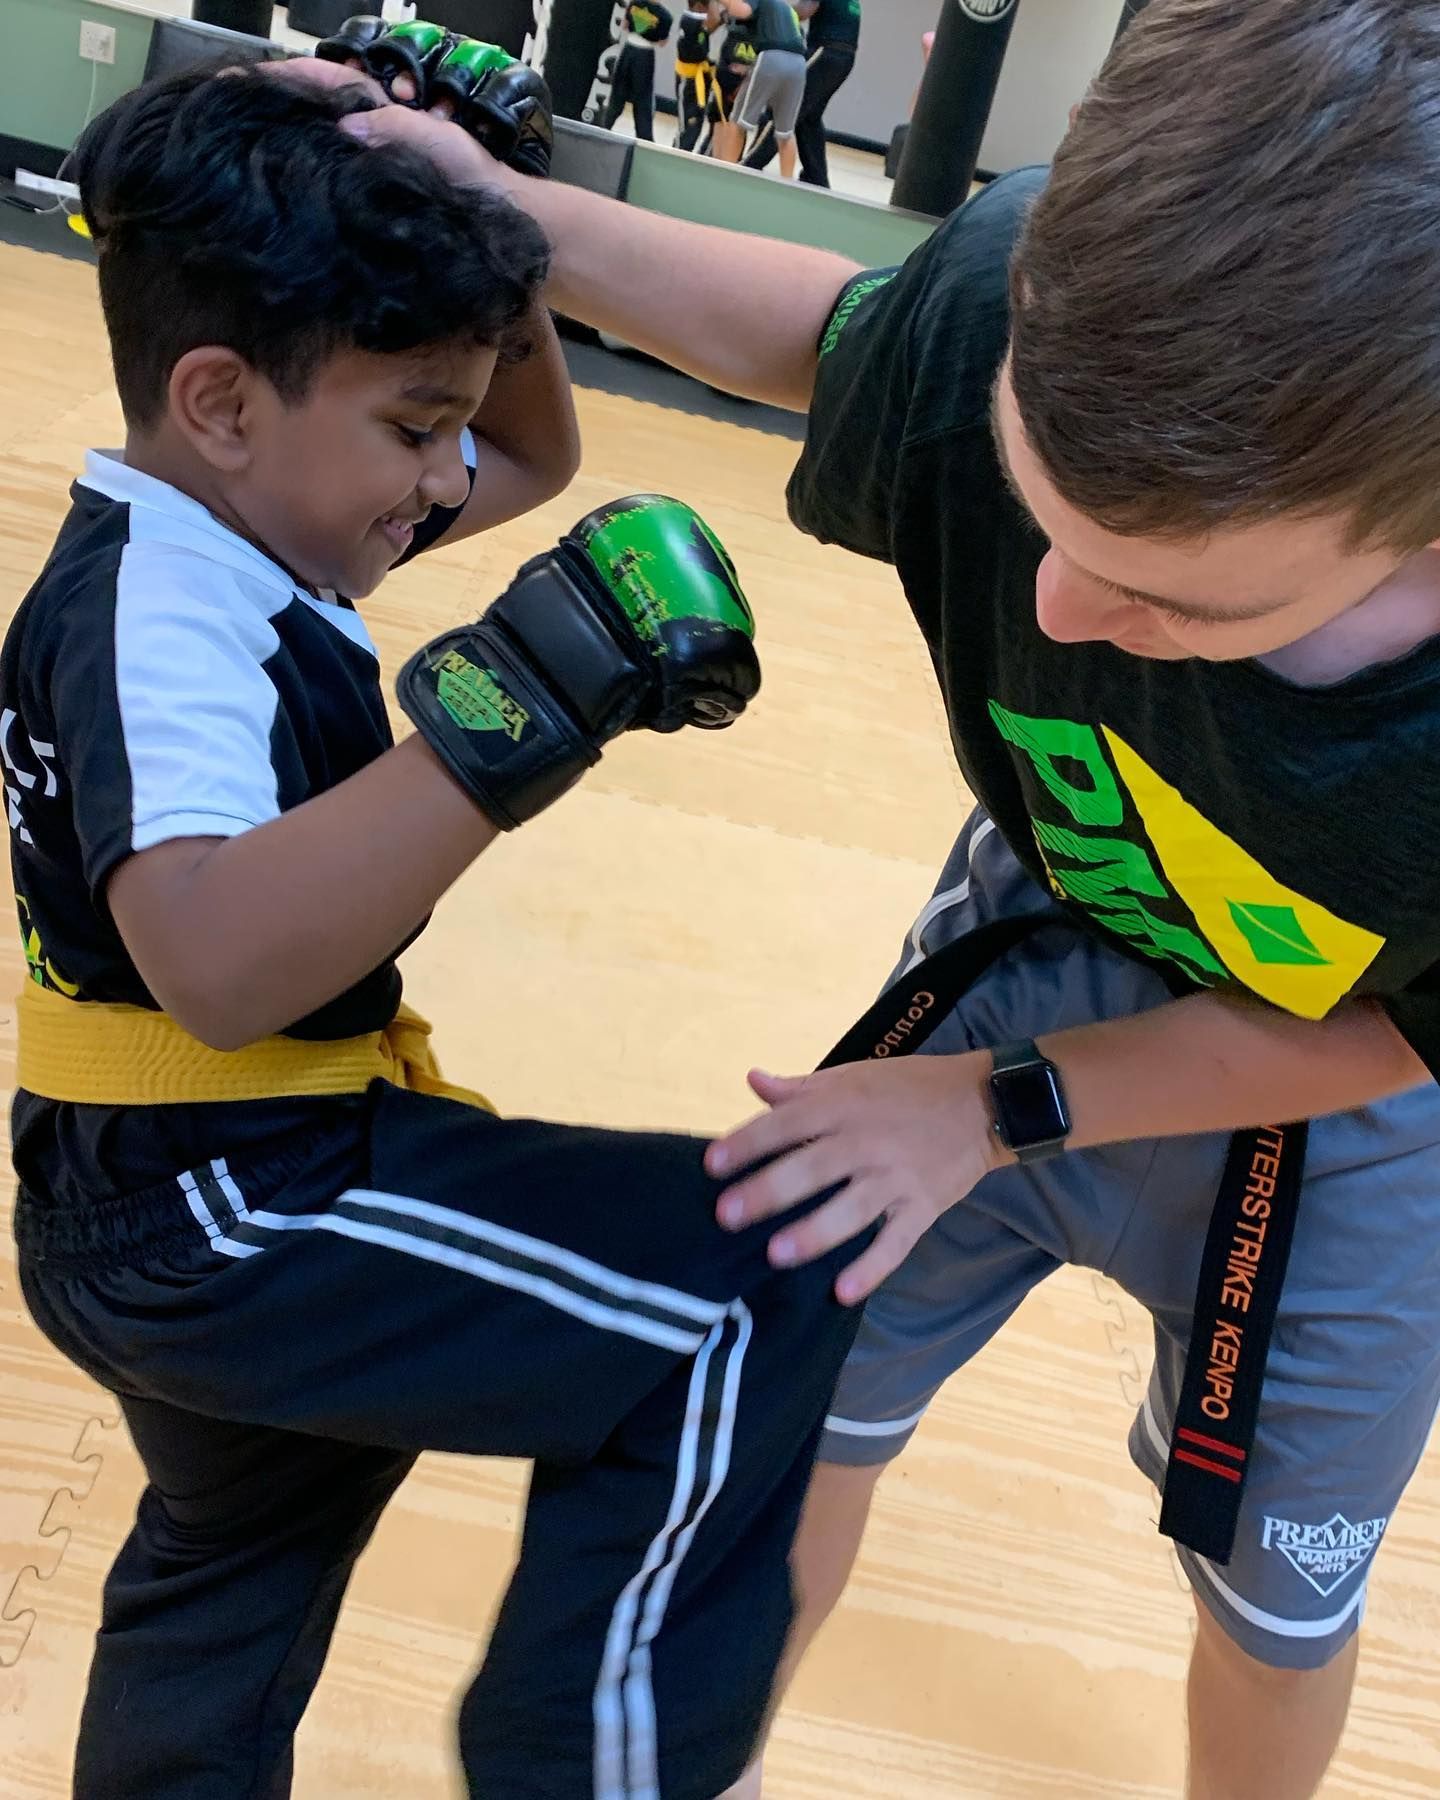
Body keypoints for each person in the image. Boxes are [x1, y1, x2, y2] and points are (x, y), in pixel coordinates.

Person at [343, 2, 1440, 1795]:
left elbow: (1390, 1034)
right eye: (1041, 511)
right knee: (785, 1423)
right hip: (1028, 946)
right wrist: (487, 205)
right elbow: (831, 337)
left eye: (1184, 605)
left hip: (1343, 1099)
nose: (1069, 616)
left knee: (1273, 1614)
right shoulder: (1011, 299)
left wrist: (1001, 1114)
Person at [5, 53, 872, 1800]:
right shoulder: (161, 604)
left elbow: (534, 446)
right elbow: (217, 962)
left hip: (170, 1176)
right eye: (415, 429)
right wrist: (508, 713)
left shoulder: (250, 510)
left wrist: (478, 207)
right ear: (224, 398)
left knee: (236, 1557)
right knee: (743, 1294)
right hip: (219, 1199)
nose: (447, 477)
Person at [745, 0, 859, 187]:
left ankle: (749, 164)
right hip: (843, 57)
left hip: (825, 50)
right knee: (809, 118)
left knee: (782, 105)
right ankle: (816, 179)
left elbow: (806, 9)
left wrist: (773, 12)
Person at [713, 0, 805, 174]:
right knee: (785, 133)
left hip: (771, 57)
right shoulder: (787, 9)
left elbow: (742, 10)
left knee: (738, 121)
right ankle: (788, 184)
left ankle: (726, 174)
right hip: (799, 63)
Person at [602, 0, 675, 141]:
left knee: (617, 95)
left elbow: (624, 25)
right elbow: (662, 43)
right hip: (645, 56)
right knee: (643, 100)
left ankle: (604, 127)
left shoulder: (635, 4)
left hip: (628, 51)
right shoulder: (665, 16)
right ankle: (645, 139)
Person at [705, 5, 760, 160]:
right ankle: (713, 159)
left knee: (736, 124)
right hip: (725, 71)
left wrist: (750, 70)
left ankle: (730, 165)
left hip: (744, 75)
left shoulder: (765, 13)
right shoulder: (732, 10)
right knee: (717, 118)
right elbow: (711, 24)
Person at [674, 0, 721, 151]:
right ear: (699, 6)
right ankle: (676, 158)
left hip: (699, 78)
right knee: (688, 126)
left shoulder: (695, 21)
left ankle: (682, 155)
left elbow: (711, 27)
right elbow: (715, 20)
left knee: (695, 126)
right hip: (688, 80)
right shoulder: (691, 19)